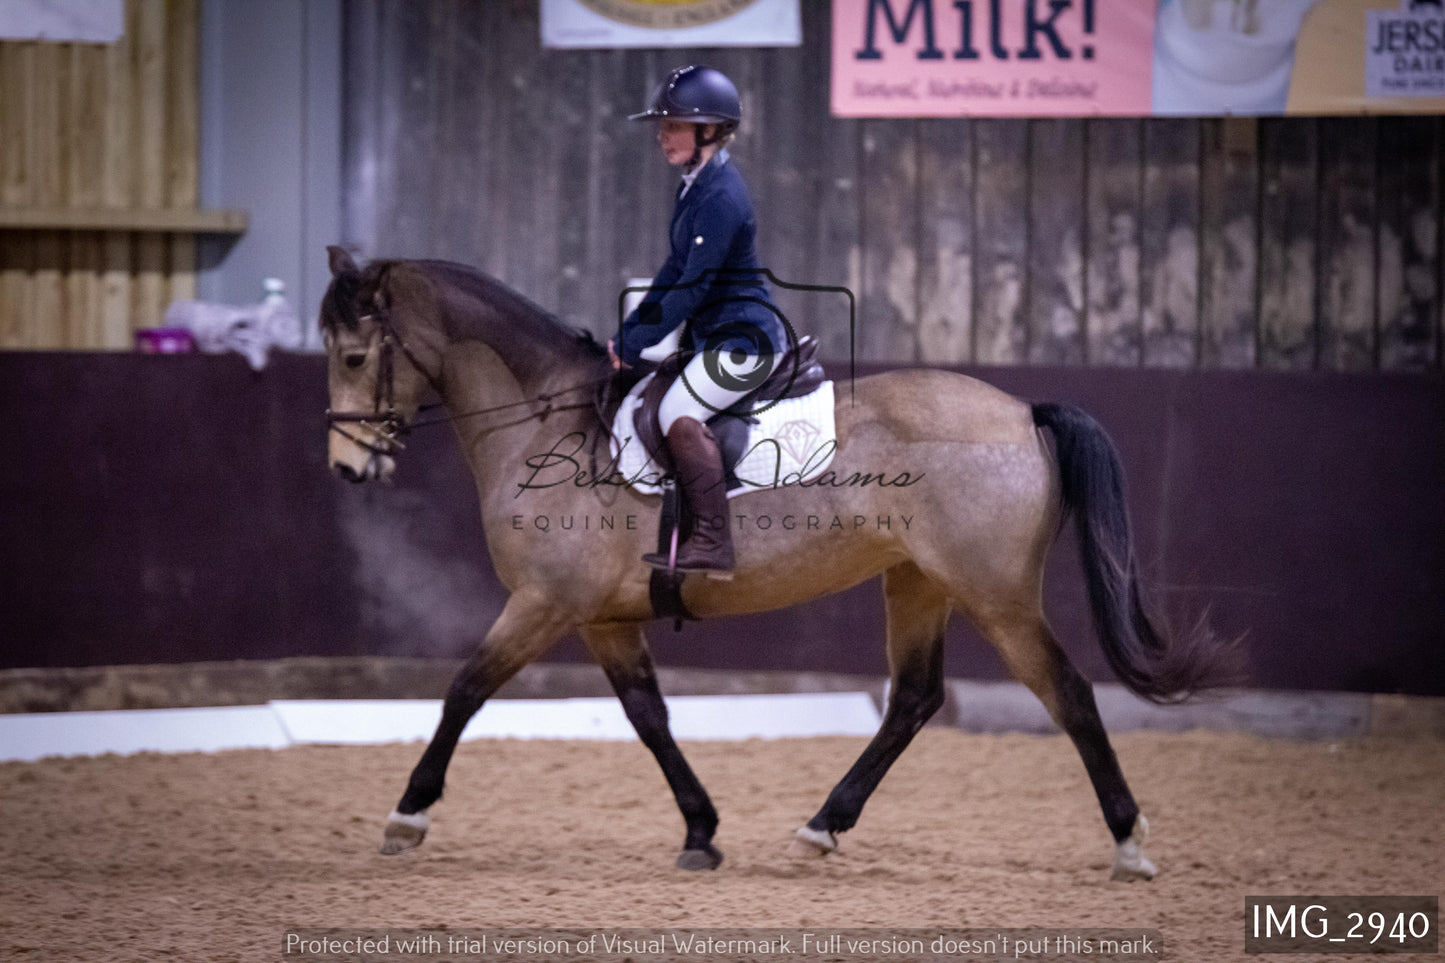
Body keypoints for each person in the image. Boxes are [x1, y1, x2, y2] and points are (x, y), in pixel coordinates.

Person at [609, 65, 786, 579]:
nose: (661, 136)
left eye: (672, 126)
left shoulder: (721, 196)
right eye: (661, 126)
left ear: (708, 129)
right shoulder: (696, 185)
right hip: (717, 338)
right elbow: (674, 270)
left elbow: (693, 288)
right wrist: (629, 334)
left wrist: (638, 338)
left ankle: (712, 542)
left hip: (745, 343)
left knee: (677, 415)